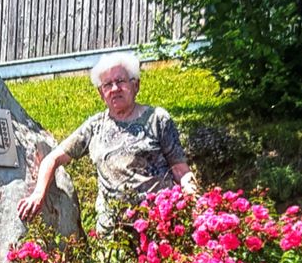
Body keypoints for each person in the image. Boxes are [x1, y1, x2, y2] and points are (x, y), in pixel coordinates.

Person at [17, 51, 198, 235]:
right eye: (107, 84)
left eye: (120, 81)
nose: (115, 88)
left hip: (157, 227)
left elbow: (180, 171)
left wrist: (196, 202)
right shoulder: (95, 126)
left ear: (136, 85)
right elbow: (52, 158)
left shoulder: (157, 119)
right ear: (101, 93)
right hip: (113, 235)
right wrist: (38, 194)